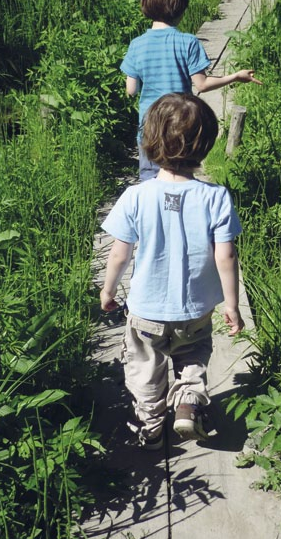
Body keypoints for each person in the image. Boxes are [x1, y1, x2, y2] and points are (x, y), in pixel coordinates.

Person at [99, 93, 245, 450]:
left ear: (148, 141)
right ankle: (188, 402)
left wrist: (107, 291)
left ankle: (149, 426)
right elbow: (226, 255)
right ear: (206, 144)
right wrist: (232, 304)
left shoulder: (136, 196)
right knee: (194, 354)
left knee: (145, 367)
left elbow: (119, 253)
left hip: (146, 311)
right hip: (196, 310)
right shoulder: (216, 197)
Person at [122, 0, 262, 180]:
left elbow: (131, 90)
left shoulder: (137, 45)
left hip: (150, 126)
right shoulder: (188, 42)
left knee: (148, 179)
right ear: (180, 9)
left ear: (146, 4)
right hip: (181, 126)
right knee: (182, 179)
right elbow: (202, 85)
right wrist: (234, 76)